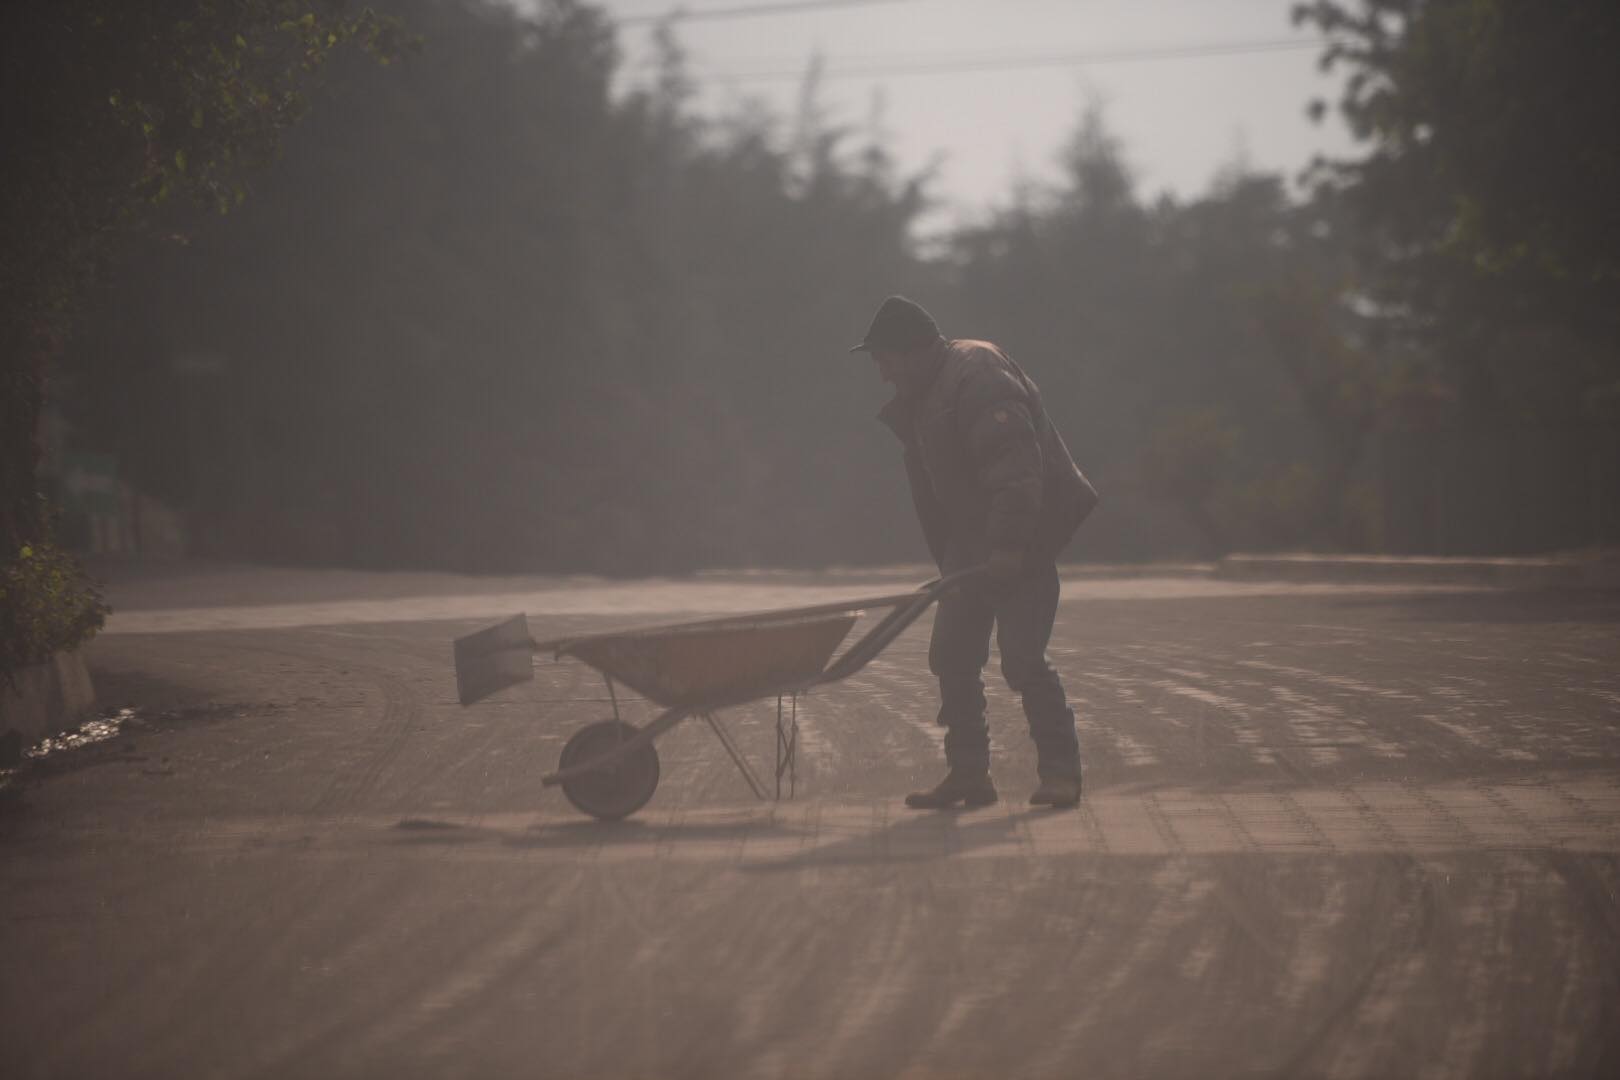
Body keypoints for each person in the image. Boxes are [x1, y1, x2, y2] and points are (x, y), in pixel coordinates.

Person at [850, 296, 1098, 809]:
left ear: (913, 351)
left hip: (1022, 536)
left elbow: (1015, 467)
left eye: (885, 360)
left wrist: (1009, 547)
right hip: (974, 544)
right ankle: (968, 775)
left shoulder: (976, 374)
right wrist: (957, 559)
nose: (883, 375)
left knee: (1023, 659)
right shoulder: (928, 389)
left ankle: (1061, 773)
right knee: (952, 657)